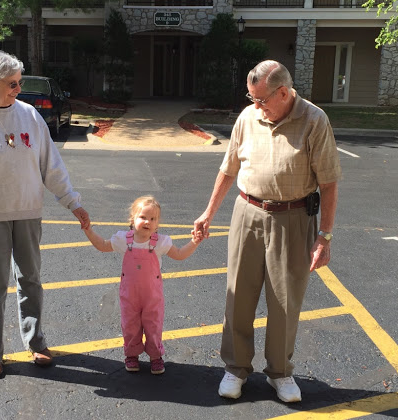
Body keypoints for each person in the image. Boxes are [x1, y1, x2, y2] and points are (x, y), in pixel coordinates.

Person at [194, 60, 341, 402]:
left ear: (284, 93)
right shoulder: (248, 117)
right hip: (247, 213)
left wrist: (325, 236)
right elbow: (228, 169)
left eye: (261, 99)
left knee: (286, 300)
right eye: (252, 97)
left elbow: (329, 183)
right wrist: (208, 213)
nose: (256, 105)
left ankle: (280, 372)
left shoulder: (314, 120)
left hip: (294, 217)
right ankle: (235, 368)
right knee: (238, 294)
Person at [0, 50, 90, 379]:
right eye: (12, 83)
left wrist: (73, 202)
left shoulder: (29, 115)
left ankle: (36, 342)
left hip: (27, 212)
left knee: (30, 279)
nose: (18, 89)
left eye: (19, 82)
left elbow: (51, 165)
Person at [83, 195, 203, 374]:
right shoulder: (124, 240)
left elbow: (179, 254)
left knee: (153, 325)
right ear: (132, 219)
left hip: (152, 296)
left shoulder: (160, 242)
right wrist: (88, 231)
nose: (148, 222)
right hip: (129, 296)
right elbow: (102, 245)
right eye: (143, 217)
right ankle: (131, 355)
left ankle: (156, 356)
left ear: (157, 223)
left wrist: (194, 242)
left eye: (153, 219)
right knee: (130, 325)